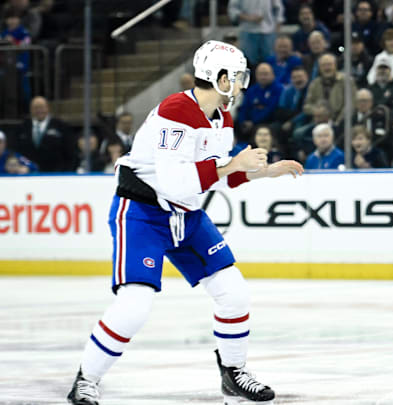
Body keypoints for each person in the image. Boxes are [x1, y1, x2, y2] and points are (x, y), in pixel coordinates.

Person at [66, 40, 303, 405]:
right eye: (238, 77)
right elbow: (179, 180)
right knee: (135, 304)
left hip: (187, 213)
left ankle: (233, 374)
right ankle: (86, 379)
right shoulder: (176, 110)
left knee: (234, 291)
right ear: (220, 78)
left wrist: (264, 173)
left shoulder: (223, 117)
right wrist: (236, 165)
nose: (242, 85)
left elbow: (216, 174)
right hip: (143, 213)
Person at [13, 96, 74, 172]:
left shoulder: (61, 126)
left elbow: (69, 152)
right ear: (30, 109)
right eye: (35, 107)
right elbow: (15, 152)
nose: (39, 110)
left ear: (48, 108)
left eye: (42, 107)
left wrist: (65, 173)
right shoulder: (22, 128)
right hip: (28, 175)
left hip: (55, 175)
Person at [227, 0, 284, 65]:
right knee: (248, 63)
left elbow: (278, 9)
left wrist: (277, 29)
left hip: (269, 31)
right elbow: (232, 9)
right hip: (248, 31)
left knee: (270, 63)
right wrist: (248, 17)